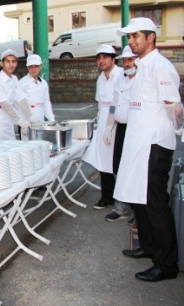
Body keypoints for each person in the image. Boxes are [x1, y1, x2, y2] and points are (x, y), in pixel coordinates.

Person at [115, 17, 182, 282]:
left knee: (154, 204)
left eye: (135, 36)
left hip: (154, 144)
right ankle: (150, 246)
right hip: (138, 143)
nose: (131, 41)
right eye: (129, 37)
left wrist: (175, 125)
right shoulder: (141, 67)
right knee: (138, 200)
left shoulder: (161, 67)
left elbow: (173, 108)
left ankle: (166, 264)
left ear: (150, 37)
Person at [82, 45, 123, 210]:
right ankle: (107, 197)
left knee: (119, 163)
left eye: (105, 57)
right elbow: (101, 105)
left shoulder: (121, 75)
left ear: (113, 59)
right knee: (103, 163)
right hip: (104, 125)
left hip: (118, 126)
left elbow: (117, 104)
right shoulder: (100, 78)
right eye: (98, 58)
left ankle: (124, 204)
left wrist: (110, 126)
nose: (101, 61)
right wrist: (100, 126)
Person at [103, 46, 138, 222]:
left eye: (130, 59)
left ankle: (136, 211)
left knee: (135, 170)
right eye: (124, 60)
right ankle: (122, 207)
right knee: (118, 167)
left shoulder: (142, 79)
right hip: (122, 129)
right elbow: (113, 106)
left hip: (138, 130)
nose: (126, 63)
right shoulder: (120, 81)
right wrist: (109, 127)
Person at [0, 49, 29, 144]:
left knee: (11, 152)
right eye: (8, 61)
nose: (11, 64)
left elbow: (21, 99)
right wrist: (20, 121)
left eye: (13, 61)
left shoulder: (14, 79)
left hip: (9, 122)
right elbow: (4, 104)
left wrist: (29, 116)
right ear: (2, 63)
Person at [16, 54, 55, 124]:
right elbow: (19, 103)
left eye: (36, 66)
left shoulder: (44, 84)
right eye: (31, 66)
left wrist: (52, 119)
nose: (33, 69)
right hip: (26, 123)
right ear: (27, 67)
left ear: (41, 66)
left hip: (40, 122)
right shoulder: (22, 83)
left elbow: (46, 103)